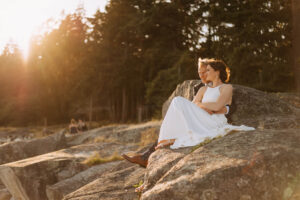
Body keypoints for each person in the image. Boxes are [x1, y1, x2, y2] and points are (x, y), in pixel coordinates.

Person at [121, 58, 230, 167]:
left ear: (215, 72)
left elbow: (225, 108)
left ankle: (147, 156)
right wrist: (202, 107)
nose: (202, 75)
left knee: (178, 102)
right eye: (199, 72)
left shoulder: (224, 88)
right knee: (175, 119)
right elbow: (193, 104)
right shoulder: (201, 88)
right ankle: (146, 156)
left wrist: (207, 107)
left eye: (205, 71)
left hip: (210, 120)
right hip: (199, 117)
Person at [155, 58, 254, 149]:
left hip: (215, 120)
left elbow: (217, 106)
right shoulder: (203, 89)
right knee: (177, 102)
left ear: (217, 72)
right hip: (203, 116)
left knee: (178, 100)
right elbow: (193, 105)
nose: (205, 73)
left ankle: (171, 138)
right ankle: (169, 138)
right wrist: (204, 107)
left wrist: (201, 105)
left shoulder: (226, 88)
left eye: (208, 70)